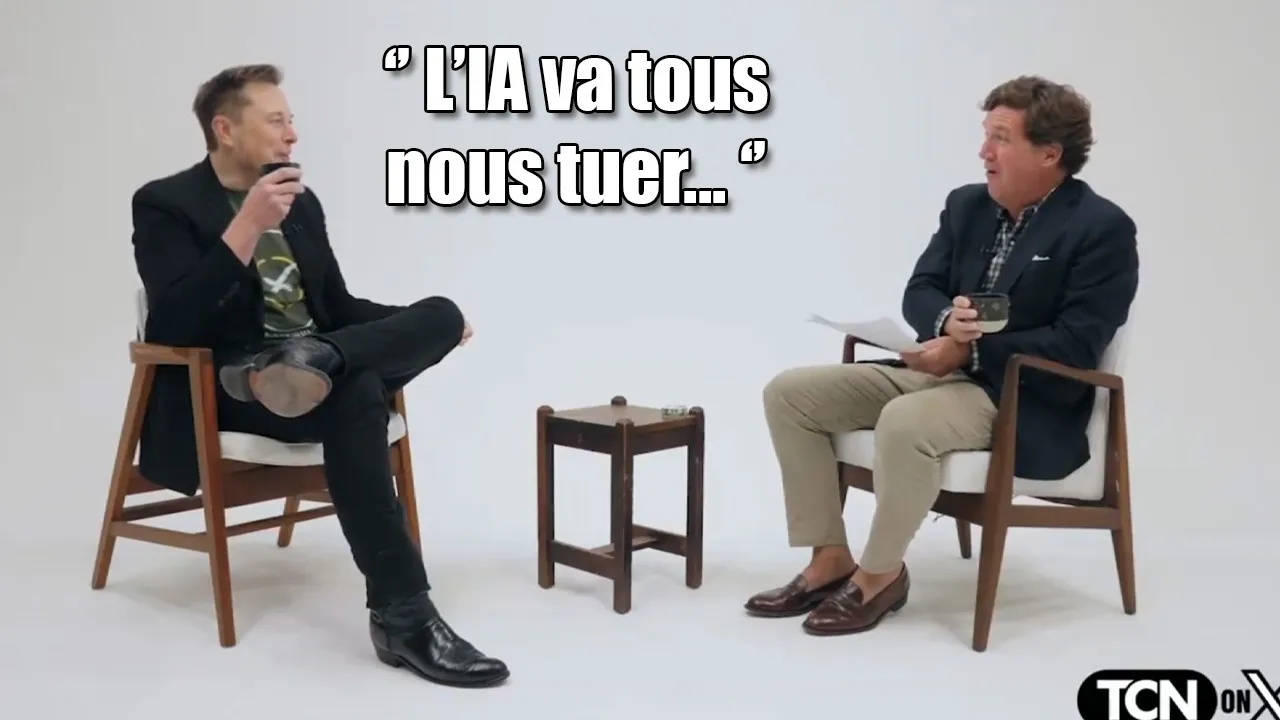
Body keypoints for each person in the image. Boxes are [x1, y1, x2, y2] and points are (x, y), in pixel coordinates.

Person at [130, 64, 509, 687]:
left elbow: (338, 307)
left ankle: (318, 360)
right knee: (357, 387)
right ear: (225, 129)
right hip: (235, 384)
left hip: (313, 372)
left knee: (439, 312)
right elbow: (171, 324)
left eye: (291, 121)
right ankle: (404, 618)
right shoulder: (165, 203)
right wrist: (246, 227)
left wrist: (423, 324)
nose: (292, 135)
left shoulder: (302, 204)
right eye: (276, 121)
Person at [744, 75, 1139, 635]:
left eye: (1000, 138)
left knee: (905, 421)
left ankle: (880, 576)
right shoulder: (967, 205)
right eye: (986, 135)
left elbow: (1077, 344)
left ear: (1050, 153)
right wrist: (944, 323)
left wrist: (969, 350)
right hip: (941, 373)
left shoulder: (1101, 229)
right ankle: (829, 558)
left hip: (1022, 395)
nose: (984, 152)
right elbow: (921, 288)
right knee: (790, 395)